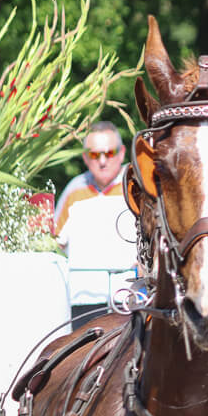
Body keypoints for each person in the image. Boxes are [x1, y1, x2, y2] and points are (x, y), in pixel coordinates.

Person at [54, 121, 136, 329]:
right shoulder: (74, 190)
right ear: (85, 157)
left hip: (128, 298)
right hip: (83, 300)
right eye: (94, 155)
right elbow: (55, 244)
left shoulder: (136, 188)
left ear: (121, 153)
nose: (102, 161)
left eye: (108, 153)